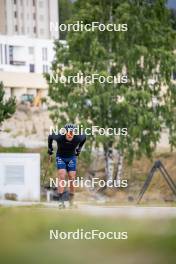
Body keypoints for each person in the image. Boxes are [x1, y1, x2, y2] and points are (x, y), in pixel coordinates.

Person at [48, 123, 86, 207]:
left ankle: (71, 201)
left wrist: (79, 148)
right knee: (62, 175)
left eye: (72, 133)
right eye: (68, 133)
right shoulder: (59, 136)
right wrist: (50, 148)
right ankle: (61, 202)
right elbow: (50, 136)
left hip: (72, 157)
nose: (70, 135)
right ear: (65, 132)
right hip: (60, 157)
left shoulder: (79, 137)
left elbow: (84, 136)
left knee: (72, 178)